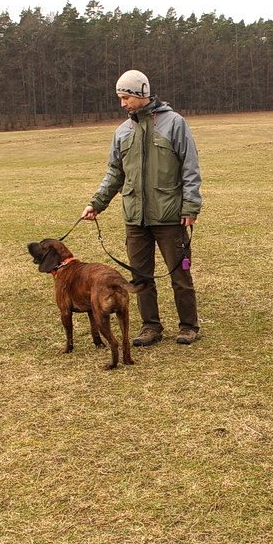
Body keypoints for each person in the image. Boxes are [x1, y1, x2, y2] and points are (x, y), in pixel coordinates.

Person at [81, 70, 202, 346]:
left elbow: (190, 167)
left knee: (179, 274)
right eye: (119, 98)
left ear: (141, 94)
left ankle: (188, 326)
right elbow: (114, 173)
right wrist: (96, 203)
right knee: (140, 277)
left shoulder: (174, 124)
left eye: (126, 97)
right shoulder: (122, 132)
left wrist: (190, 206)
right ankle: (151, 326)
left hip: (171, 215)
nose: (122, 103)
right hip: (135, 217)